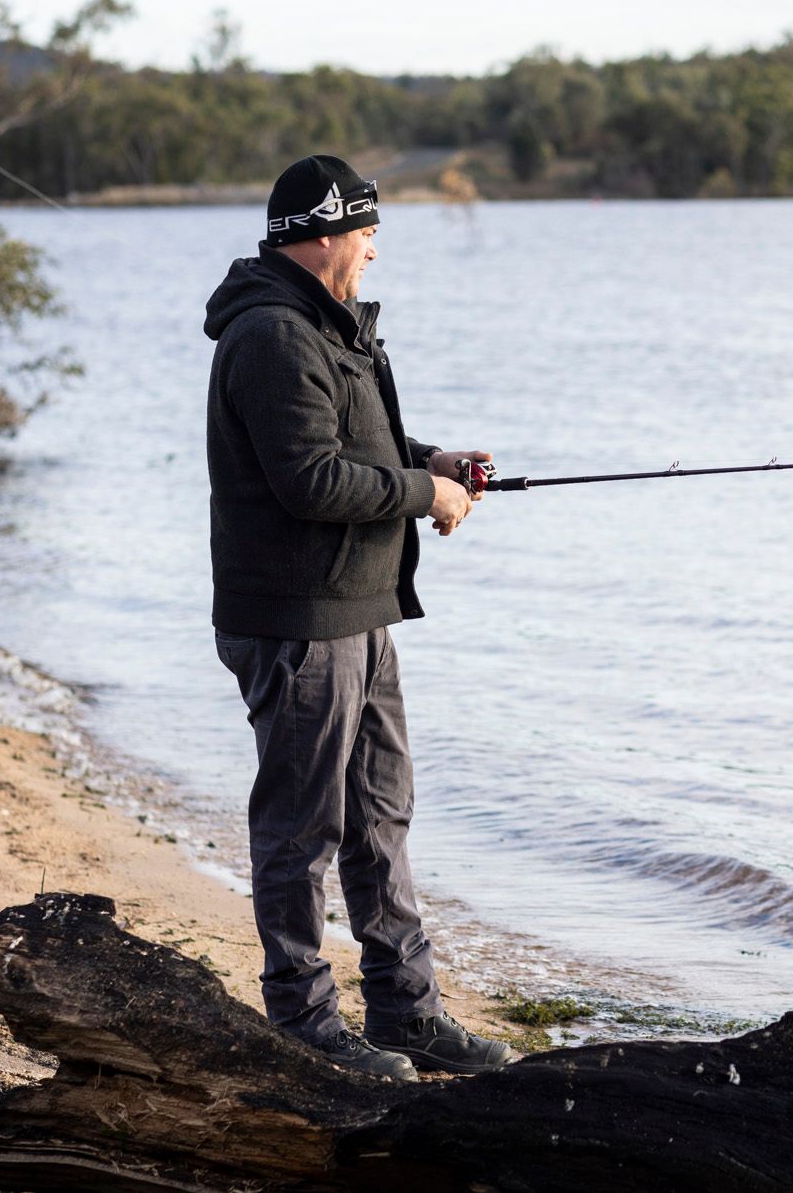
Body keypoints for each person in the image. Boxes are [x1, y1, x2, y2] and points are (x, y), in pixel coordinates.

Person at [203, 154, 516, 1081]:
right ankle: (302, 1023)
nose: (376, 249)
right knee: (303, 829)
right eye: (366, 231)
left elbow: (358, 443)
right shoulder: (271, 335)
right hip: (300, 621)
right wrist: (428, 494)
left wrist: (437, 458)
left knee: (381, 816)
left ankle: (404, 1016)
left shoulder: (328, 328)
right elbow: (310, 480)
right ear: (323, 232)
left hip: (358, 611)